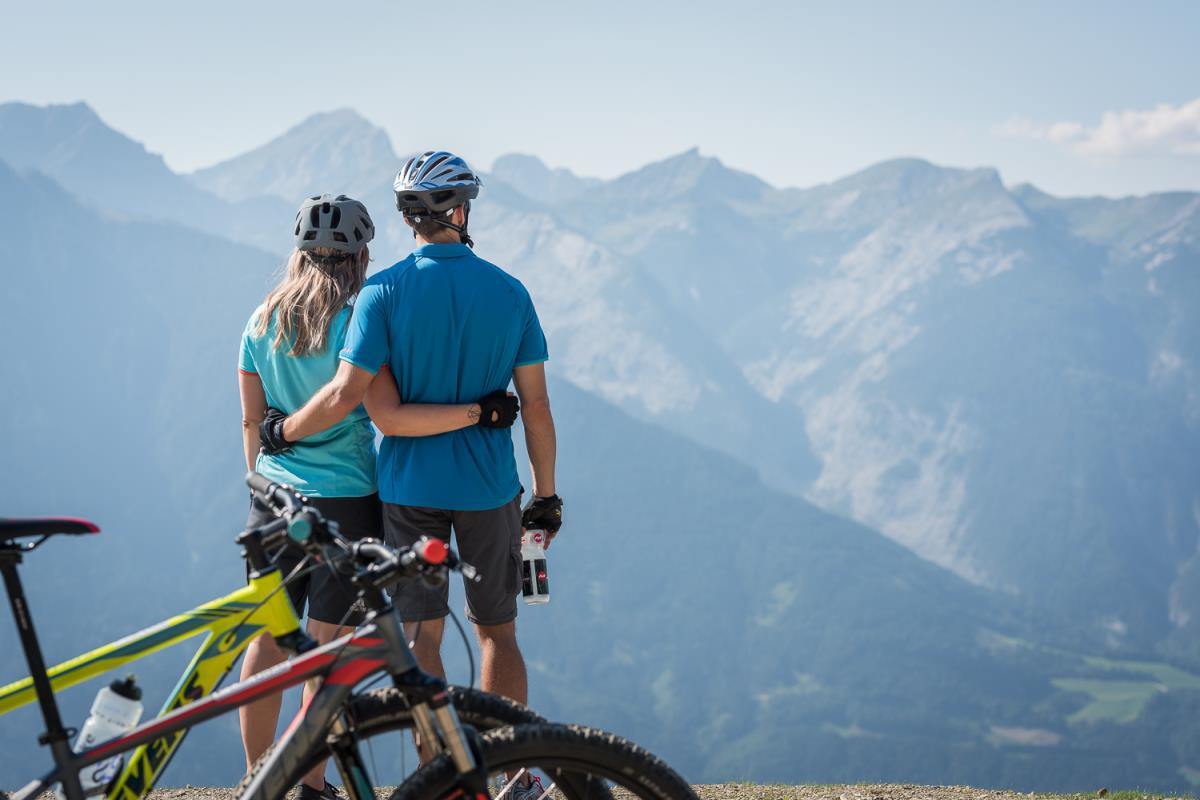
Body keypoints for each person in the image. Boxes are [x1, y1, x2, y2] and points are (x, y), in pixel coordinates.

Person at [258, 150, 563, 723]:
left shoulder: (381, 294)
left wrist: (282, 433)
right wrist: (546, 496)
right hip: (490, 487)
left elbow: (351, 394)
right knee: (498, 634)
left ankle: (434, 773)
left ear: (406, 219)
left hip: (408, 490)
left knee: (423, 640)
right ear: (464, 211)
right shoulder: (511, 292)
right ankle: (504, 769)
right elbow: (538, 407)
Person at [238, 193, 518, 800]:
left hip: (272, 498)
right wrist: (480, 414)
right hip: (349, 496)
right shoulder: (360, 318)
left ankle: (261, 781)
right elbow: (382, 412)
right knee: (327, 645)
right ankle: (308, 782)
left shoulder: (258, 322)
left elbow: (249, 423)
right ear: (361, 255)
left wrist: (263, 480)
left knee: (265, 639)